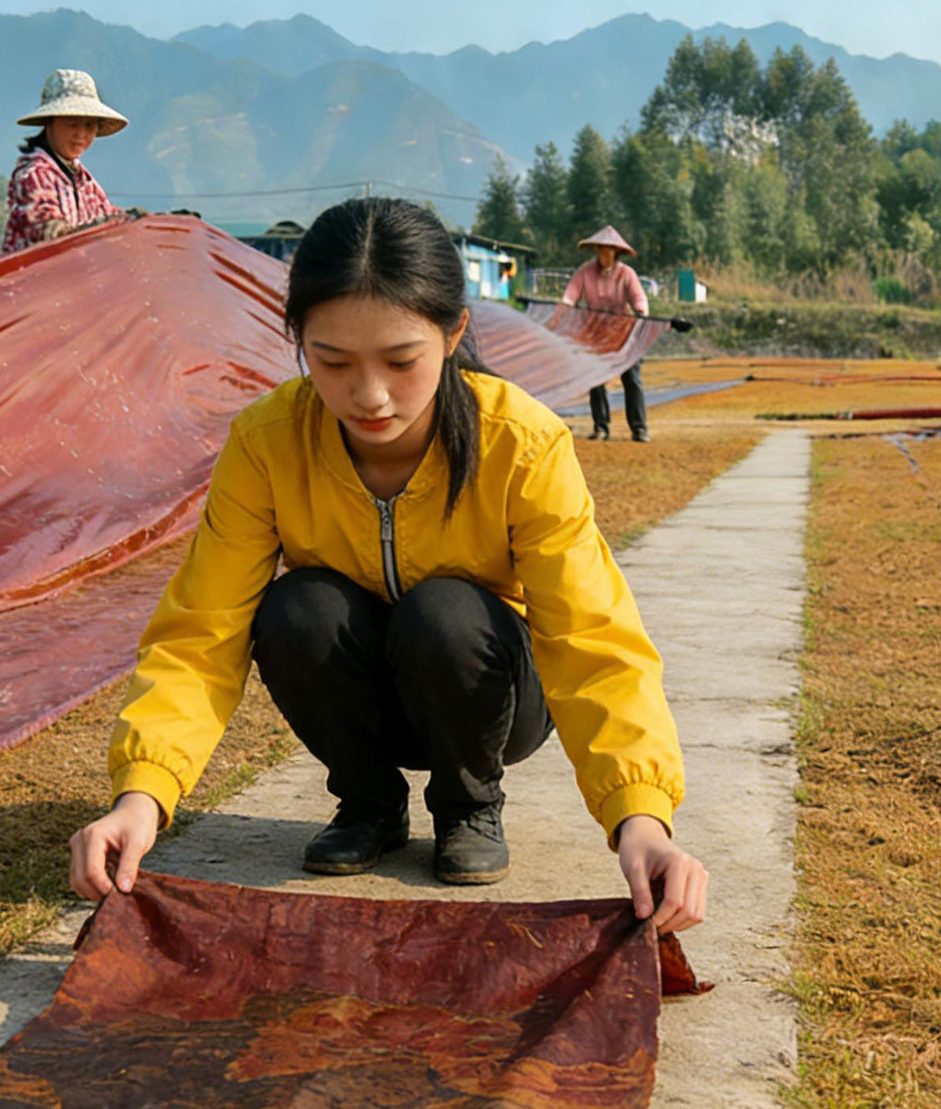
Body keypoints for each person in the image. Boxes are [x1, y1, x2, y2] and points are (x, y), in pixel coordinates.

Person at [69, 198, 706, 934]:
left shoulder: (522, 444)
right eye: (332, 362)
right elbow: (200, 634)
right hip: (365, 694)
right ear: (299, 341)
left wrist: (642, 816)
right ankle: (368, 802)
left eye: (402, 361)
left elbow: (594, 638)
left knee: (443, 612)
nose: (369, 396)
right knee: (295, 608)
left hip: (490, 695)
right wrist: (140, 795)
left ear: (454, 332)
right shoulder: (267, 444)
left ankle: (470, 805)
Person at [0, 69, 134, 255]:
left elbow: (109, 215)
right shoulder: (34, 175)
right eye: (73, 123)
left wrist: (140, 220)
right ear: (50, 123)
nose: (81, 134)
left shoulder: (85, 181)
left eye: (89, 126)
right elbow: (49, 231)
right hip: (34, 280)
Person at [562, 226, 651, 442]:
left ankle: (639, 428)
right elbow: (569, 297)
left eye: (609, 250)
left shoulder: (626, 274)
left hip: (623, 334)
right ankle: (601, 427)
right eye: (601, 250)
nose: (605, 254)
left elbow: (639, 299)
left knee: (632, 379)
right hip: (595, 334)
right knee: (596, 380)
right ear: (596, 251)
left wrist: (641, 311)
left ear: (616, 253)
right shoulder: (584, 272)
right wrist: (561, 311)